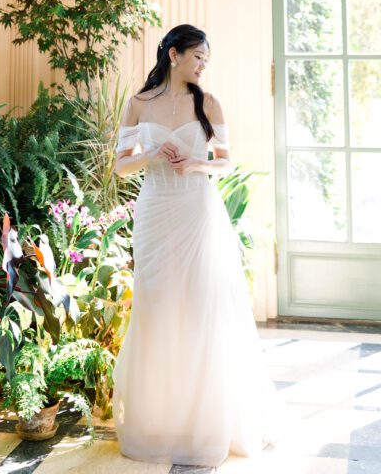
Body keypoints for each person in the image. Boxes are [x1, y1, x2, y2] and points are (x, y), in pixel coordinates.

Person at [112, 23, 278, 467]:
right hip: (154, 213)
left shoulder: (209, 102)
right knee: (158, 307)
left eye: (207, 59)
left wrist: (194, 163)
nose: (203, 65)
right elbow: (119, 167)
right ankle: (160, 422)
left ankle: (207, 423)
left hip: (197, 212)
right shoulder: (138, 104)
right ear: (174, 54)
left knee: (202, 307)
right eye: (198, 57)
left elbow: (225, 161)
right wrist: (150, 156)